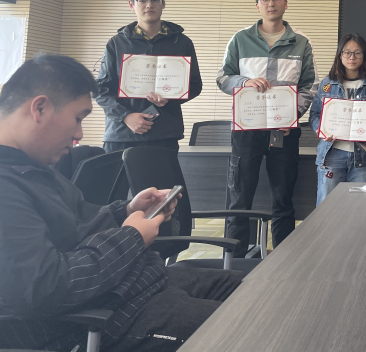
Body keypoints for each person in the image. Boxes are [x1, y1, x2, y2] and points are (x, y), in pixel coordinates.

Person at [0, 54, 243, 352]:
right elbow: (43, 289)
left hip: (135, 285)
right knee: (257, 324)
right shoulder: (6, 187)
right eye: (78, 118)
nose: (78, 134)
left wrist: (128, 211)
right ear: (39, 108)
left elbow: (80, 222)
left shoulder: (33, 168)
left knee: (255, 289)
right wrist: (132, 237)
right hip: (100, 320)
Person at [217, 0, 318, 256]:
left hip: (284, 131)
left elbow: (309, 85)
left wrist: (292, 116)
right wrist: (244, 82)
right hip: (246, 129)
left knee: (283, 198)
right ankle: (234, 262)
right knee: (239, 198)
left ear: (285, 2)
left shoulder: (301, 42)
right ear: (257, 5)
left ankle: (283, 260)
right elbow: (223, 78)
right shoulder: (240, 39)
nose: (271, 3)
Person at [95, 0, 202, 153]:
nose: (149, 5)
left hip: (164, 134)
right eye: (142, 0)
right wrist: (126, 116)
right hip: (122, 134)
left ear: (163, 3)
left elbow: (195, 85)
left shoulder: (182, 43)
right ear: (131, 5)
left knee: (163, 173)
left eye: (155, 0)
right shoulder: (116, 43)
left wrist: (171, 97)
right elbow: (101, 89)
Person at [309, 33, 366, 204]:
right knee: (327, 209)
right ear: (340, 55)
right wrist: (320, 129)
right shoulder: (327, 84)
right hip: (332, 155)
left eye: (357, 53)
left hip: (364, 157)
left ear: (365, 56)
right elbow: (315, 115)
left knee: (359, 210)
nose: (352, 57)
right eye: (347, 52)